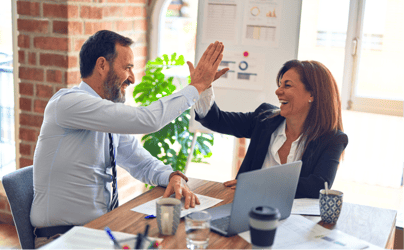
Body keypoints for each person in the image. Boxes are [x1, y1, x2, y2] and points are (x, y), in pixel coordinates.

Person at [30, 30, 228, 243]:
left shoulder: (104, 116)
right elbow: (147, 120)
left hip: (100, 233)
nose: (132, 78)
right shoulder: (68, 103)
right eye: (127, 68)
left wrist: (173, 176)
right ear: (102, 65)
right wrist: (196, 87)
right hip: (63, 239)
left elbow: (142, 164)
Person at [194, 60, 348, 198]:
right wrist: (204, 87)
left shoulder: (333, 139)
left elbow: (318, 187)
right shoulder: (264, 119)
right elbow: (216, 120)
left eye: (287, 85)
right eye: (279, 85)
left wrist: (259, 183)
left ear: (312, 94)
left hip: (295, 221)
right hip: (247, 208)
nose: (278, 91)